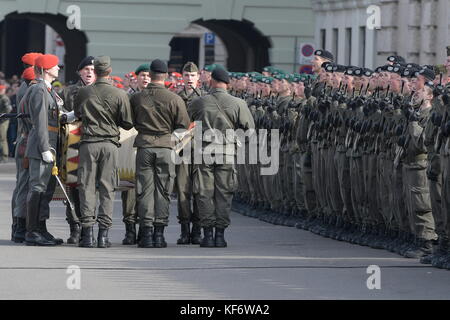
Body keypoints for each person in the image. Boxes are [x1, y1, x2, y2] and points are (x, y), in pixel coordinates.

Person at [189, 67, 255, 247]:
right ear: (228, 83)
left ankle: (208, 234)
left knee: (204, 192)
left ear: (211, 81)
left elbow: (186, 121)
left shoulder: (200, 102)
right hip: (227, 152)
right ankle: (220, 235)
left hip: (205, 152)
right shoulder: (239, 103)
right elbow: (250, 131)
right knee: (224, 193)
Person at [74, 56, 134, 248]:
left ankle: (87, 234)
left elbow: (77, 114)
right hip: (109, 144)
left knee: (86, 186)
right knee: (108, 188)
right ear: (109, 72)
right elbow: (127, 122)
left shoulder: (83, 92)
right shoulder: (119, 94)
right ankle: (103, 235)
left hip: (88, 143)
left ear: (95, 71)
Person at [130, 59, 190, 248]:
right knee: (163, 191)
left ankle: (146, 233)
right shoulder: (175, 99)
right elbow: (183, 126)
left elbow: (129, 121)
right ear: (165, 75)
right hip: (166, 147)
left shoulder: (137, 97)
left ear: (151, 74)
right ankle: (159, 234)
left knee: (144, 190)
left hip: (145, 146)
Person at [24, 54, 64, 246]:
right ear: (47, 69)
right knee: (37, 188)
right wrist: (44, 148)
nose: (58, 69)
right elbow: (40, 122)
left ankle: (41, 228)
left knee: (46, 190)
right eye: (55, 66)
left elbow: (50, 118)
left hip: (49, 144)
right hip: (42, 145)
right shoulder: (40, 90)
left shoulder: (46, 90)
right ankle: (32, 231)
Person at [60, 55, 96, 244]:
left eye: (93, 70)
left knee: (91, 188)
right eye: (86, 69)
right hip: (72, 144)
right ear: (79, 72)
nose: (89, 73)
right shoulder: (69, 92)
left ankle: (88, 226)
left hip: (94, 143)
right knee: (72, 188)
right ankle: (74, 227)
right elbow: (60, 116)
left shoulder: (102, 91)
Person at [175, 61, 207, 245]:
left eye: (192, 76)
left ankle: (197, 229)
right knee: (182, 190)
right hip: (182, 150)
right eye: (186, 75)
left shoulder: (205, 98)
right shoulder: (177, 98)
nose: (189, 79)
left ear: (198, 78)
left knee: (200, 190)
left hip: (201, 149)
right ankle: (184, 229)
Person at [121, 63, 151, 245]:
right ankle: (130, 229)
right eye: (142, 75)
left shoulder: (157, 98)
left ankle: (145, 229)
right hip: (130, 147)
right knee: (130, 190)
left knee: (148, 190)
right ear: (137, 78)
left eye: (148, 75)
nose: (145, 78)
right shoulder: (128, 98)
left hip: (149, 147)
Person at [0, 83, 12, 162]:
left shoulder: (4, 98)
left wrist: (2, 116)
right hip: (2, 119)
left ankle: (4, 156)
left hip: (3, 120)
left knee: (2, 138)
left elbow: (8, 109)